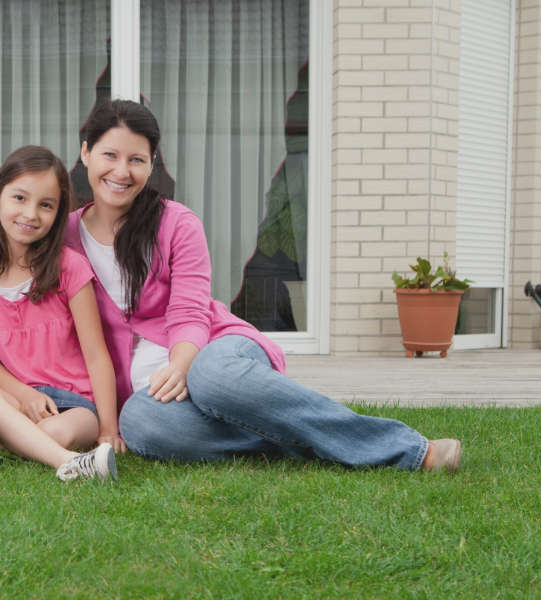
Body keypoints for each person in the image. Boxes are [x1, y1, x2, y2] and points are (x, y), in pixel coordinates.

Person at [63, 99, 462, 473]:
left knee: (211, 375)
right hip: (151, 393)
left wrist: (182, 364)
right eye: (110, 155)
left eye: (136, 159)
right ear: (86, 153)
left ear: (151, 167)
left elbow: (190, 311)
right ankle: (303, 438)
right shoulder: (64, 237)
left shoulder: (176, 223)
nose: (121, 171)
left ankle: (410, 450)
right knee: (143, 424)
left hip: (215, 350)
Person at [0, 146, 119, 482]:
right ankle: (71, 462)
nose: (30, 214)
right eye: (20, 198)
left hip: (75, 404)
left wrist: (108, 430)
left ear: (58, 214)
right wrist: (26, 396)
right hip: (17, 400)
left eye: (46, 205)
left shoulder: (69, 267)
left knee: (57, 431)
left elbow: (97, 356)